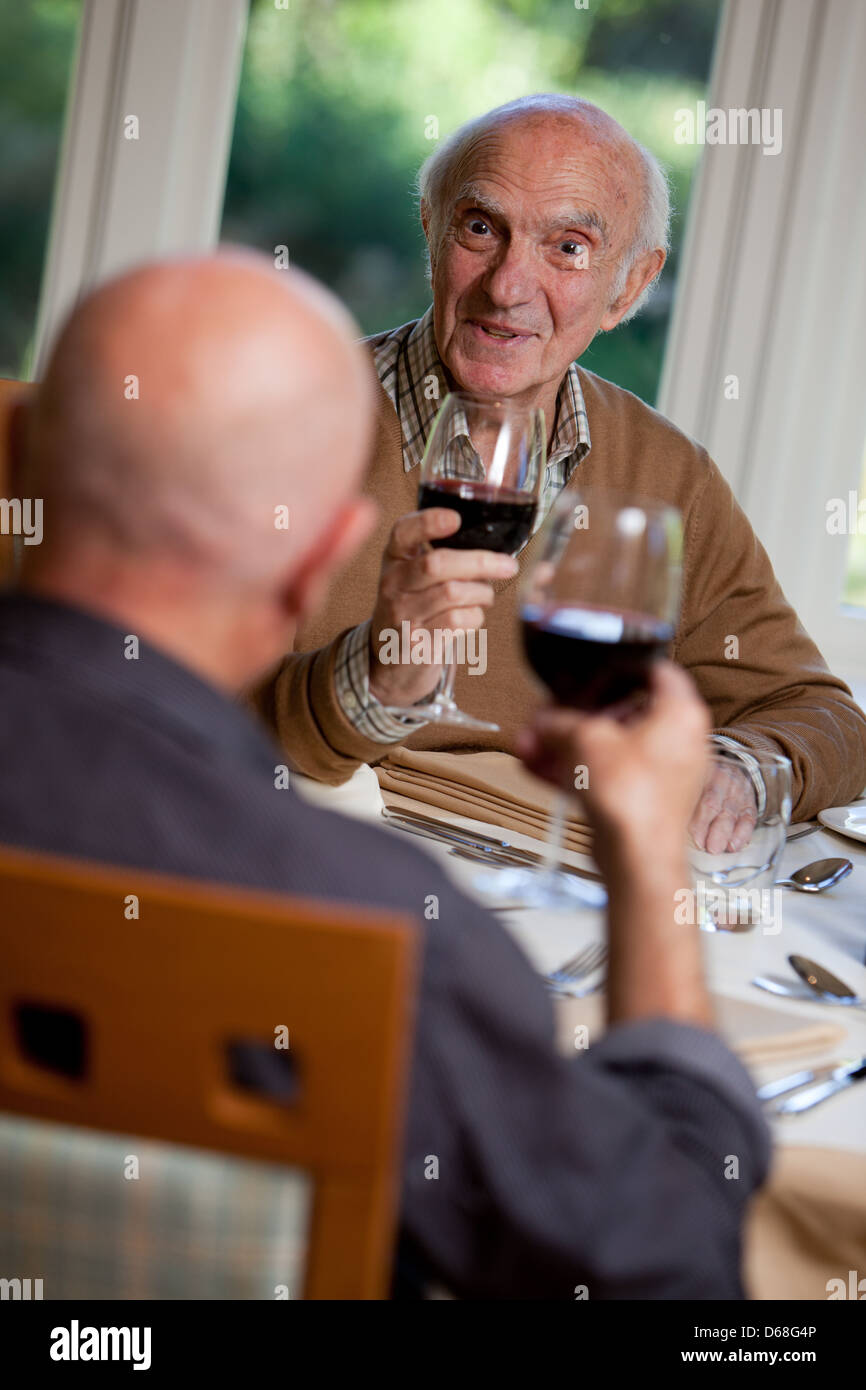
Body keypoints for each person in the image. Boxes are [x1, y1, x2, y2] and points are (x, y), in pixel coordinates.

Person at [0, 251, 769, 1299]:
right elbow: (667, 1267)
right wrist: (644, 860)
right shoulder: (370, 936)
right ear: (323, 559)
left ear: (26, 464)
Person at [254, 93, 866, 849]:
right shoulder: (271, 421)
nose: (508, 286)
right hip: (302, 860)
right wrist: (375, 680)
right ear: (431, 229)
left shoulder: (671, 480)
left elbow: (821, 716)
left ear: (631, 287)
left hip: (541, 887)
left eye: (568, 246)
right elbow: (159, 697)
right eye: (481, 229)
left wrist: (742, 770)